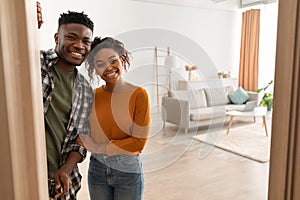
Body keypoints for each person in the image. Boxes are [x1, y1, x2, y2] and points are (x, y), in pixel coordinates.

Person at [82, 37, 151, 200]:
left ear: (122, 59)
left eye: (113, 60)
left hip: (127, 170)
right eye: (100, 64)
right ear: (95, 69)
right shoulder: (92, 96)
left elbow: (138, 142)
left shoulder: (138, 95)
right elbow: (85, 134)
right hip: (97, 169)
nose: (108, 67)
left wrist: (101, 148)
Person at [39, 11, 94, 199]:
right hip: (26, 175)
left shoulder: (86, 90)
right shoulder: (36, 64)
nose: (79, 46)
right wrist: (26, 22)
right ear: (57, 37)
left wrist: (66, 169)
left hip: (62, 183)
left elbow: (82, 138)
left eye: (86, 41)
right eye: (71, 37)